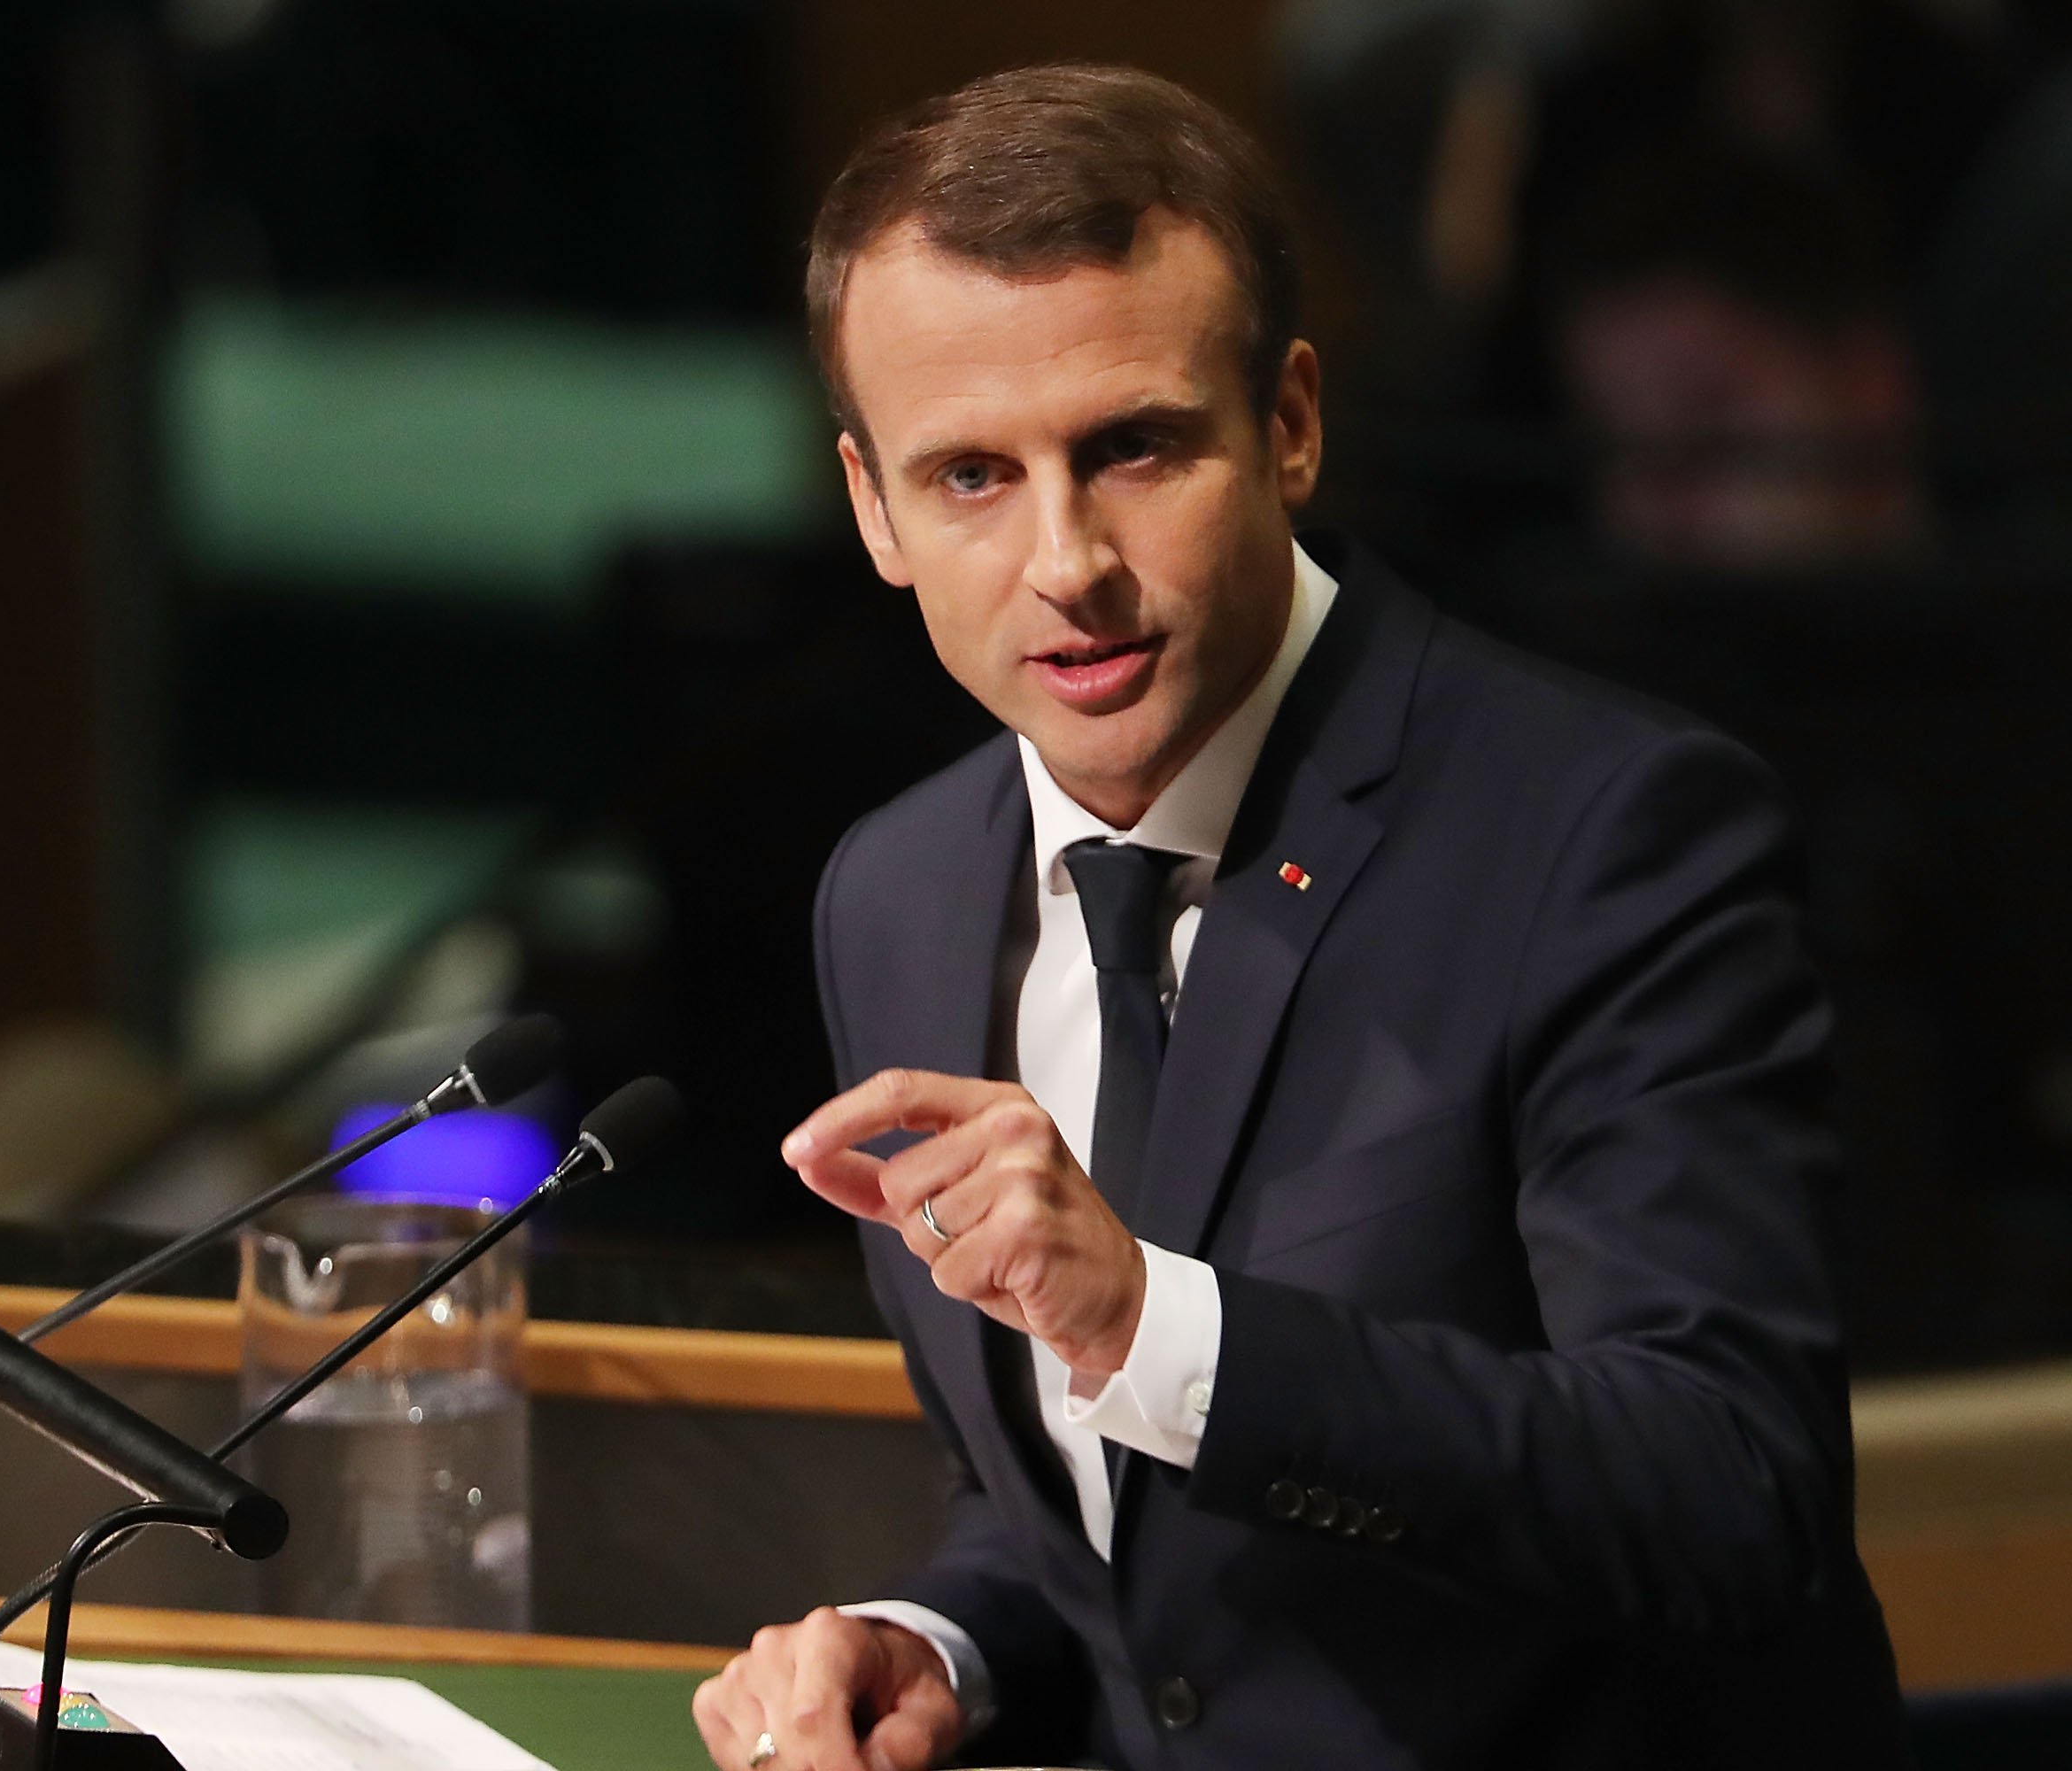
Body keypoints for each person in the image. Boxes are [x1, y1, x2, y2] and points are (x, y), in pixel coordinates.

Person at [692, 65, 1906, 1771]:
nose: (1068, 563)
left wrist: (1147, 1318)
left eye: (1132, 448)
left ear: (1292, 424)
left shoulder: (1611, 831)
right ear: (871, 509)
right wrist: (946, 1640)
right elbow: (1099, 1527)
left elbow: (1724, 1489)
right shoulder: (893, 892)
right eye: (970, 476)